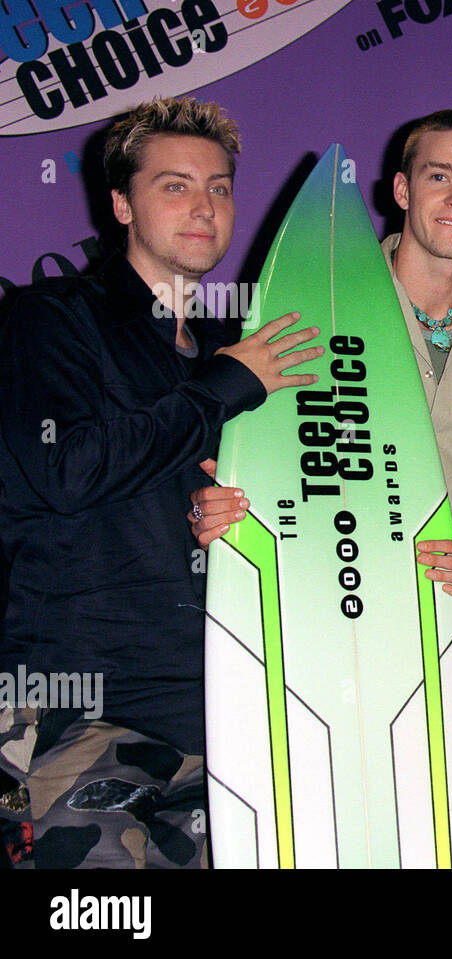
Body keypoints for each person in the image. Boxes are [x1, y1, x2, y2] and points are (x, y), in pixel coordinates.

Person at [191, 110, 452, 869]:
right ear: (400, 189)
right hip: (326, 627)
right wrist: (216, 505)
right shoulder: (317, 301)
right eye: (439, 176)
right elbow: (238, 448)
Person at [0, 97, 321, 868]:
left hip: (223, 710)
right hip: (80, 708)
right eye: (174, 186)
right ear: (121, 203)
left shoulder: (230, 348)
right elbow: (67, 468)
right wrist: (222, 387)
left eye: (219, 187)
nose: (204, 207)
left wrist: (233, 515)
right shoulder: (50, 319)